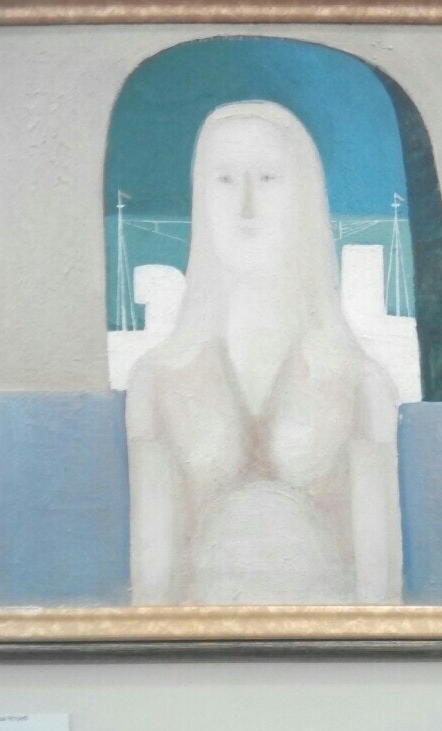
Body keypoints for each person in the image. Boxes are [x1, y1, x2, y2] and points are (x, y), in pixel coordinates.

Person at [126, 100, 402, 605]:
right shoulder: (156, 381)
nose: (246, 207)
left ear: (303, 196)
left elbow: (379, 591)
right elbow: (151, 587)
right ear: (201, 196)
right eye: (225, 180)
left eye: (269, 179)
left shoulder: (360, 383)